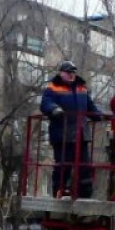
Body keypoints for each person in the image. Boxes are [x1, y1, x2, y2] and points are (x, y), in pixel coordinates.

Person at [40, 61, 102, 198]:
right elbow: (45, 103)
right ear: (61, 73)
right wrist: (54, 109)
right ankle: (59, 191)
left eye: (73, 72)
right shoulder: (53, 87)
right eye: (68, 72)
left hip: (81, 134)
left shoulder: (82, 88)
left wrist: (100, 116)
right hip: (63, 134)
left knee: (85, 166)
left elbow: (90, 106)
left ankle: (85, 194)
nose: (71, 75)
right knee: (63, 165)